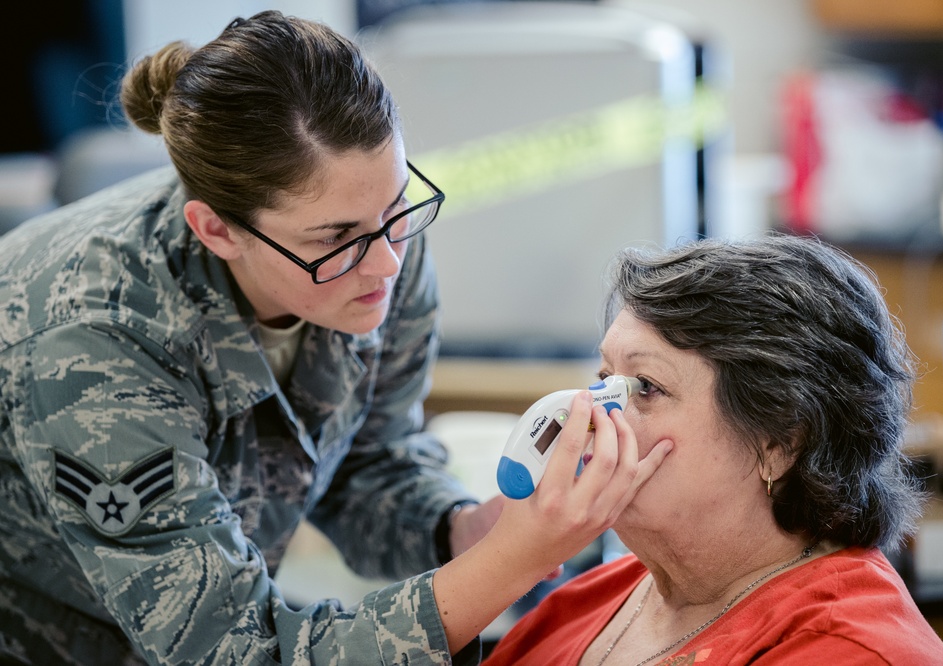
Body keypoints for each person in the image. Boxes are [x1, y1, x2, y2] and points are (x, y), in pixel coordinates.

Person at [0, 11, 667, 665]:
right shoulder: (92, 345)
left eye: (397, 206)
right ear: (216, 231)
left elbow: (368, 460)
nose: (388, 265)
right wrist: (506, 563)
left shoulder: (370, 236)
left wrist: (465, 530)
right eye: (337, 238)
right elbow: (243, 653)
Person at [484, 235, 943, 665]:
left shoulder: (851, 653)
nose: (593, 419)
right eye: (606, 380)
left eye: (645, 387)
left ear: (780, 443)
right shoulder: (591, 596)